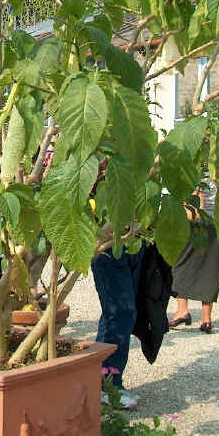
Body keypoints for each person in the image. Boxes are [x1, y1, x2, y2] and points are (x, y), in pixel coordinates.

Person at [91, 158, 142, 410]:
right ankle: (109, 384)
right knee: (120, 312)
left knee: (118, 313)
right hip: (107, 243)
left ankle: (103, 378)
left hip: (133, 238)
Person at [170, 177, 219, 334]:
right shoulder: (218, 173)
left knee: (180, 265)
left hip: (195, 226)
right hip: (215, 226)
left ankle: (182, 310)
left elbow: (197, 203)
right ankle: (206, 319)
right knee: (210, 270)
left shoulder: (195, 172)